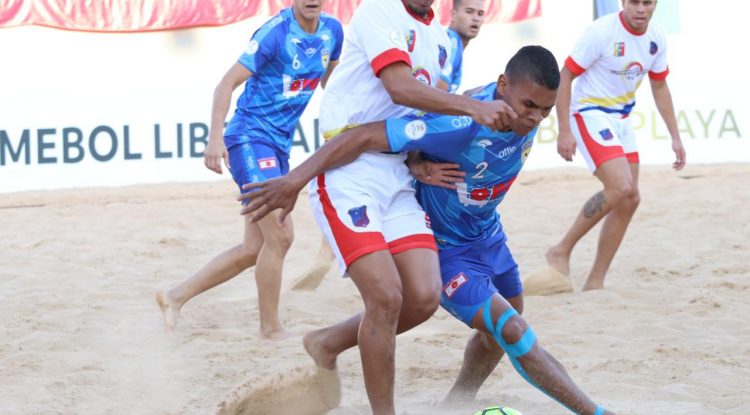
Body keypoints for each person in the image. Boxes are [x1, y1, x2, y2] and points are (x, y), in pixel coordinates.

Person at [241, 46, 616, 415]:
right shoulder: (461, 124)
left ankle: (445, 398)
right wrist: (294, 180)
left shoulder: (500, 102)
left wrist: (418, 159)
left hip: (488, 236)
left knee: (501, 329)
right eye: (529, 106)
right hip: (447, 249)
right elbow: (364, 136)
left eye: (545, 110)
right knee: (513, 329)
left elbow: (464, 96)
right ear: (503, 86)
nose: (534, 118)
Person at [259, 0, 515, 412]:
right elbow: (399, 87)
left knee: (423, 297)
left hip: (397, 174)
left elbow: (415, 115)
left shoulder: (440, 41)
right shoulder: (378, 9)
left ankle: (327, 342)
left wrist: (418, 161)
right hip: (347, 170)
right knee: (385, 297)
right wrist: (475, 106)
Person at [155, 0, 344, 339]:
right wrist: (215, 139)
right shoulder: (275, 32)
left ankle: (174, 297)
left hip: (277, 146)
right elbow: (225, 84)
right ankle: (270, 328)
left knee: (253, 249)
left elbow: (335, 86)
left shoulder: (334, 31)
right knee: (282, 236)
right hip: (249, 138)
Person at [546, 0, 685, 291]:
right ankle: (561, 249)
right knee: (620, 186)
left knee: (631, 198)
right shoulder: (601, 32)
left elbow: (659, 86)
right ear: (623, 2)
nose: (640, 9)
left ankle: (595, 281)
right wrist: (564, 130)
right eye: (634, 2)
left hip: (621, 118)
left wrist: (675, 135)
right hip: (587, 112)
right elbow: (565, 76)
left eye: (647, 3)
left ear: (655, 5)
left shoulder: (656, 37)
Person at [438, 0, 486, 93]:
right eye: (469, 12)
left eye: (480, 14)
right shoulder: (453, 44)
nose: (476, 18)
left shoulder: (450, 40)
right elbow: (437, 93)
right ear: (453, 15)